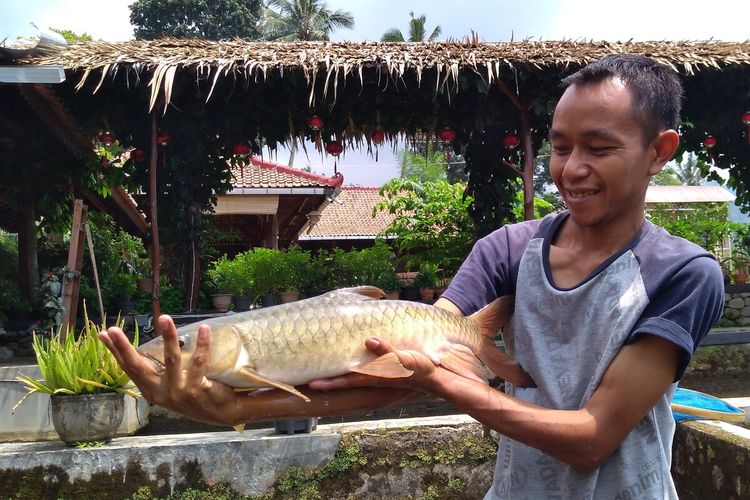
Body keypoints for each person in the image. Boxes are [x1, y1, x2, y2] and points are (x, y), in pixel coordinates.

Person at [100, 54, 724, 499]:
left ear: (660, 150)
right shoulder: (506, 251)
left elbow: (592, 438)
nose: (572, 168)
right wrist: (234, 406)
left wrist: (454, 386)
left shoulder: (683, 274)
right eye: (560, 146)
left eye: (599, 147)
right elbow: (395, 382)